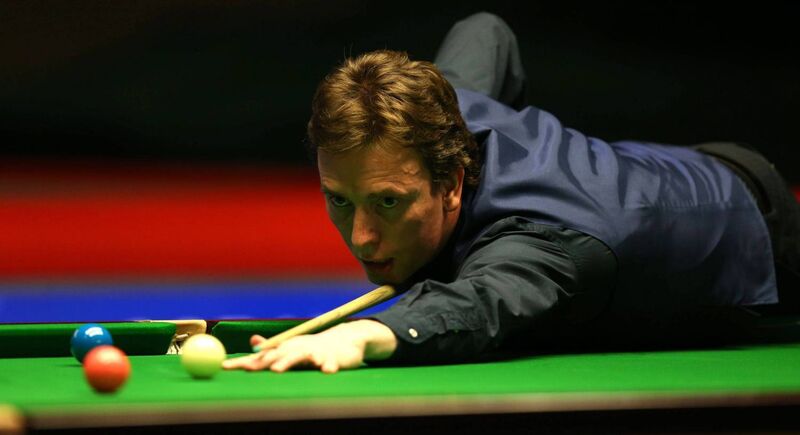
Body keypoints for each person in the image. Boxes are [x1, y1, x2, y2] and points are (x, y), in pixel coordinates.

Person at [223, 12, 800, 374]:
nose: (362, 236)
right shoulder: (441, 110)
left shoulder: (543, 245)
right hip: (660, 163)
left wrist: (368, 334)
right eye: (340, 199)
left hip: (758, 224)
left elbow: (479, 304)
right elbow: (486, 29)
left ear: (451, 183)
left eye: (389, 202)